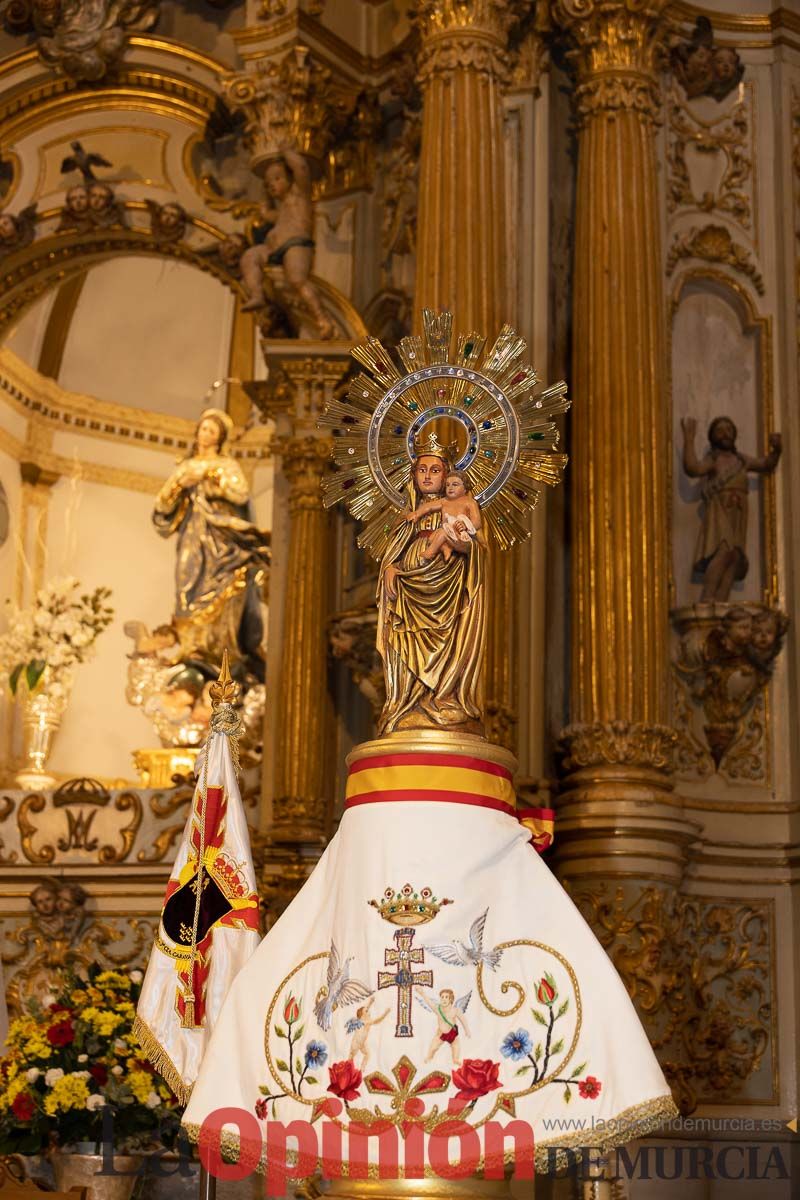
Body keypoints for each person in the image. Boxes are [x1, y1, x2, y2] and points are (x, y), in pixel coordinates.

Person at [377, 440, 486, 735]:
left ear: (447, 475)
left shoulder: (460, 508)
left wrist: (459, 541)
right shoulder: (409, 517)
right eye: (422, 470)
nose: (427, 476)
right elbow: (393, 554)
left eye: (435, 470)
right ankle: (407, 702)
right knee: (403, 637)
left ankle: (444, 696)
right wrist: (390, 569)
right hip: (409, 586)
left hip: (448, 586)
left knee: (448, 638)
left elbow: (476, 547)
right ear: (412, 475)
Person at [152, 408, 270, 679]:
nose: (205, 434)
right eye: (203, 429)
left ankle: (218, 651)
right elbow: (161, 504)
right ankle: (191, 649)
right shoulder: (185, 466)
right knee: (187, 584)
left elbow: (239, 494)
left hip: (223, 538)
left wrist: (208, 477)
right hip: (193, 535)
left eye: (211, 431)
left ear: (219, 438)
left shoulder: (227, 466)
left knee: (225, 590)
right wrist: (180, 485)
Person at [681, 415, 781, 602]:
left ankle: (721, 601)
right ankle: (708, 596)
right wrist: (688, 439)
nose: (725, 433)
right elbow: (693, 468)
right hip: (720, 510)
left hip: (739, 511)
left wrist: (777, 450)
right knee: (723, 551)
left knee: (735, 556)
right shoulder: (714, 459)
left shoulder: (742, 460)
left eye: (729, 429)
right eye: (720, 429)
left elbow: (766, 464)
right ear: (712, 437)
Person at [239, 148, 333, 339]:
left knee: (297, 279)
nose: (271, 185)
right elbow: (267, 214)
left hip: (296, 245)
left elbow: (301, 168)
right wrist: (265, 199)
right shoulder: (281, 211)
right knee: (250, 256)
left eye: (277, 178)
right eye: (268, 183)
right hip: (274, 248)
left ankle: (322, 318)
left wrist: (284, 151)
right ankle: (257, 294)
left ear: (290, 179)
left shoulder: (300, 196)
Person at [405, 469, 482, 563]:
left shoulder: (469, 502)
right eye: (447, 485)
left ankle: (430, 552)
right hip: (448, 532)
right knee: (432, 538)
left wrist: (465, 525)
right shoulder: (444, 501)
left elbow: (477, 522)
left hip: (462, 537)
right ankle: (446, 547)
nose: (450, 488)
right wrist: (417, 513)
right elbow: (428, 507)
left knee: (442, 533)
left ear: (465, 488)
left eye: (455, 484)